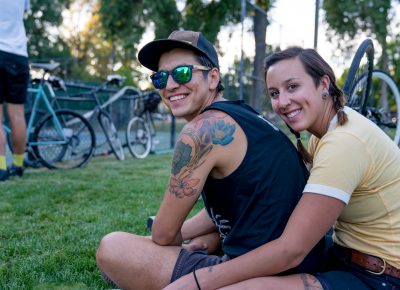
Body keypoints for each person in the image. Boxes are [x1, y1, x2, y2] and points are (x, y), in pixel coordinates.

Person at [96, 31, 326, 289]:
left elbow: (163, 234)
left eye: (182, 73)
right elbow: (242, 197)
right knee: (206, 235)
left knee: (113, 248)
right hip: (305, 259)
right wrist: (186, 239)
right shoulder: (242, 114)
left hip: (263, 273)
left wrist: (157, 246)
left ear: (213, 77)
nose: (170, 85)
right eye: (160, 78)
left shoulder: (203, 130)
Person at [164, 47, 400, 290]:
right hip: (342, 256)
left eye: (293, 87)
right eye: (275, 93)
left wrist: (197, 282)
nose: (283, 102)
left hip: (380, 277)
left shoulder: (344, 142)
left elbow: (291, 250)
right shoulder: (324, 135)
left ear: (323, 84)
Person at [0, 0, 30, 181]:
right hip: (17, 55)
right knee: (17, 115)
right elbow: (22, 14)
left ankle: (1, 168)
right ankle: (18, 165)